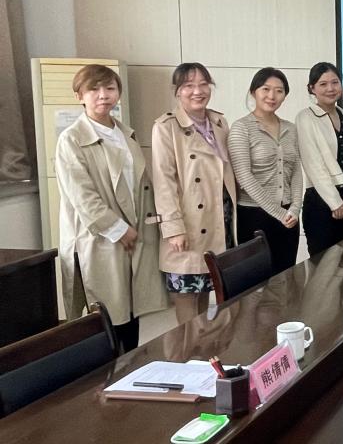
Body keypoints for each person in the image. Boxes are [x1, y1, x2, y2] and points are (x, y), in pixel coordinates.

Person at [55, 64, 166, 351]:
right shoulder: (71, 139)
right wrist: (119, 229)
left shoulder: (125, 133)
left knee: (131, 312)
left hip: (134, 233)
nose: (103, 95)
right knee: (108, 315)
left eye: (110, 88)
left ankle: (130, 369)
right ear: (80, 96)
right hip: (102, 237)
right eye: (94, 89)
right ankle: (110, 374)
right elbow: (82, 197)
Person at [151, 62, 236, 324]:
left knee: (207, 295)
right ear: (177, 91)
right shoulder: (166, 126)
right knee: (187, 302)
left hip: (218, 219)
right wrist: (173, 228)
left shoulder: (219, 122)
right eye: (189, 85)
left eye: (203, 84)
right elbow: (164, 181)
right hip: (188, 224)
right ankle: (188, 349)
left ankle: (205, 348)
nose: (197, 91)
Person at [228, 68, 303, 274]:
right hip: (254, 216)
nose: (272, 96)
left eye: (279, 91)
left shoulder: (290, 128)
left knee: (286, 277)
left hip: (289, 217)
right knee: (256, 282)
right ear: (254, 92)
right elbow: (243, 176)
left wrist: (295, 207)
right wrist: (279, 213)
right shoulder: (241, 128)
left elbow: (296, 169)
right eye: (266, 89)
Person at [296, 62, 343, 257]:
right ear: (312, 88)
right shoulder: (306, 117)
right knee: (322, 267)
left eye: (335, 82)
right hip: (321, 201)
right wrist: (335, 203)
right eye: (323, 84)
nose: (330, 88)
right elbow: (314, 165)